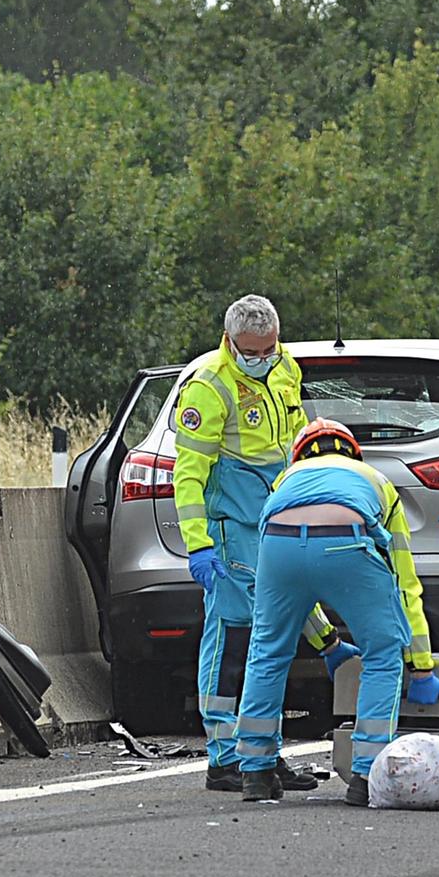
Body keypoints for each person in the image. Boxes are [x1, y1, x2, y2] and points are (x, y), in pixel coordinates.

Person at [170, 294, 338, 791]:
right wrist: (198, 545)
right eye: (251, 351)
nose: (261, 359)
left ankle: (263, 751)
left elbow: (292, 442)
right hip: (229, 533)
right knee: (231, 643)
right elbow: (188, 476)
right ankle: (224, 755)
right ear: (230, 341)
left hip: (274, 523)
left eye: (268, 349)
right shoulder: (209, 387)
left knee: (271, 641)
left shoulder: (285, 367)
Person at [233, 420, 439, 805]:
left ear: (300, 455)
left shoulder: (285, 481)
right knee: (382, 656)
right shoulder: (375, 480)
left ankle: (256, 771)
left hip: (277, 542)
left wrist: (329, 645)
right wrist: (421, 664)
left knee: (267, 653)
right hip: (347, 542)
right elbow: (403, 582)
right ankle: (367, 775)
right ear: (351, 452)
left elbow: (296, 595)